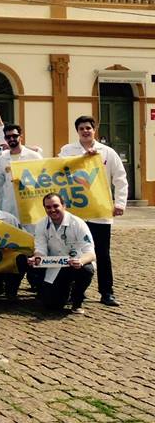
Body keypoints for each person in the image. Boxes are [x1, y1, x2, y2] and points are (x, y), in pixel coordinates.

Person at [58, 115, 127, 307]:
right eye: (81, 128)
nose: (85, 131)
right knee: (74, 252)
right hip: (76, 212)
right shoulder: (67, 150)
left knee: (102, 253)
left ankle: (107, 292)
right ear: (77, 131)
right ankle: (76, 291)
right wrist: (82, 158)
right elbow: (58, 170)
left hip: (100, 211)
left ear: (94, 129)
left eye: (88, 128)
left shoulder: (107, 152)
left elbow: (120, 179)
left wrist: (120, 203)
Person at [27, 192, 96, 314]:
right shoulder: (41, 225)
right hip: (55, 267)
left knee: (87, 269)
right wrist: (36, 258)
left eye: (56, 206)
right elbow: (40, 249)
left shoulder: (77, 223)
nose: (52, 210)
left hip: (75, 266)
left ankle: (77, 300)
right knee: (52, 305)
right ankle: (63, 292)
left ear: (64, 206)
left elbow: (91, 253)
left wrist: (80, 261)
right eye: (48, 207)